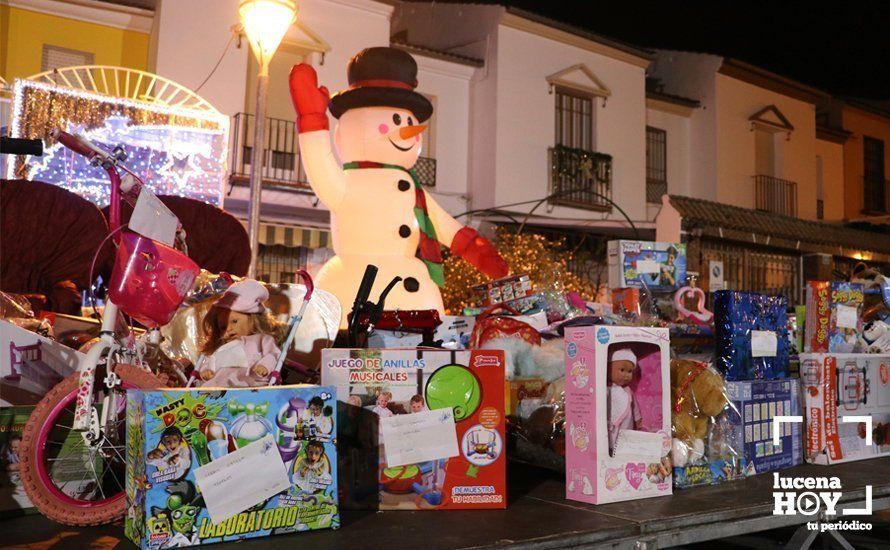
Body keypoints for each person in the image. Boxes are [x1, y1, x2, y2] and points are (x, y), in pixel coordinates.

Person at [198, 279, 285, 387]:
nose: (228, 329)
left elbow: (273, 354)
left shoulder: (261, 339)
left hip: (249, 382)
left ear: (253, 319)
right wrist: (206, 370)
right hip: (221, 385)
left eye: (234, 321)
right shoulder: (222, 347)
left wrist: (265, 365)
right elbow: (210, 360)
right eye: (223, 327)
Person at [608, 348, 642, 453]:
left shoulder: (628, 391)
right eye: (622, 370)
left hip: (627, 424)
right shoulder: (606, 389)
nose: (626, 375)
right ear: (609, 369)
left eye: (630, 371)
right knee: (610, 440)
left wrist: (638, 418)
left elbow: (634, 406)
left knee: (625, 440)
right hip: (610, 424)